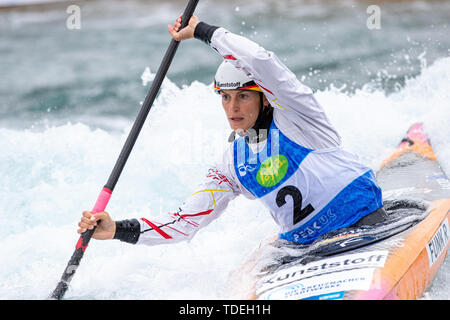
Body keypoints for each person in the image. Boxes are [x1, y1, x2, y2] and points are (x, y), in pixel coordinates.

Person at [77, 14, 387, 246]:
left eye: (242, 96)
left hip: (365, 221)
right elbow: (184, 223)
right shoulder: (231, 164)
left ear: (263, 98)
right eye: (225, 97)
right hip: (308, 250)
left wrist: (202, 31)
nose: (232, 107)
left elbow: (259, 60)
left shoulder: (299, 115)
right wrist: (117, 229)